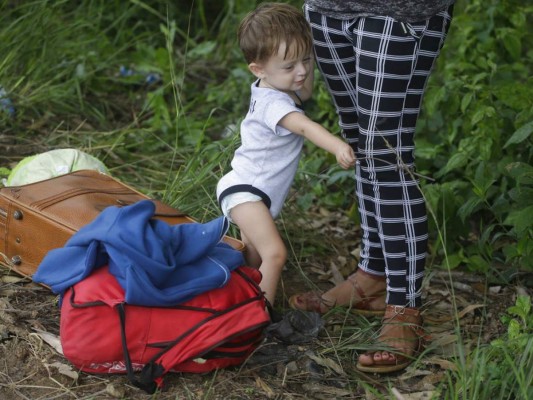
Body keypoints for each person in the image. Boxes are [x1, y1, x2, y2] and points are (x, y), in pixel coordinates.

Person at [289, 0, 455, 373]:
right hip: (327, 9)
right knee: (357, 142)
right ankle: (372, 275)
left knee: (386, 150)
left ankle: (404, 305)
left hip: (400, 12)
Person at [216, 3, 356, 307]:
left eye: (306, 59)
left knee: (252, 259)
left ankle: (233, 302)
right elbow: (305, 127)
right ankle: (256, 316)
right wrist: (338, 146)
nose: (303, 71)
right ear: (258, 69)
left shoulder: (269, 85)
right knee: (275, 254)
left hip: (246, 189)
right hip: (246, 192)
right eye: (290, 66)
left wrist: (301, 54)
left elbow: (304, 91)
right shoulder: (275, 106)